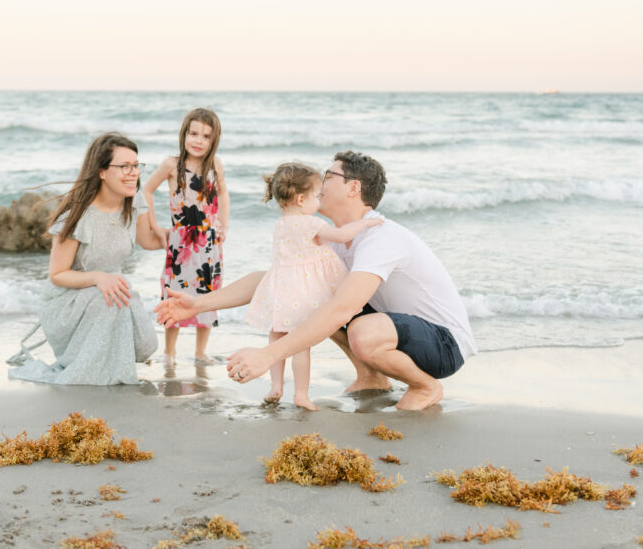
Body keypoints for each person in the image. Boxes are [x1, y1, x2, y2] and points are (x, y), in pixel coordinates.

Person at [157, 151, 476, 410]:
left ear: (353, 188)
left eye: (329, 176)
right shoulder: (330, 236)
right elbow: (275, 282)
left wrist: (268, 355)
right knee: (305, 293)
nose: (319, 182)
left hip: (444, 344)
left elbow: (343, 309)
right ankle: (372, 377)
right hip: (397, 330)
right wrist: (196, 305)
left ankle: (425, 386)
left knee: (353, 322)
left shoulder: (381, 237)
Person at [8, 132, 163, 385]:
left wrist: (181, 236)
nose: (133, 172)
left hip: (111, 289)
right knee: (111, 303)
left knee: (146, 345)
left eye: (136, 166)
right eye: (124, 166)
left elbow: (148, 239)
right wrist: (98, 277)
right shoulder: (77, 216)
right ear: (102, 171)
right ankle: (83, 360)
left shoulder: (134, 200)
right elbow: (57, 275)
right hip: (68, 301)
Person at [246, 162, 383, 410]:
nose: (319, 202)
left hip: (279, 288)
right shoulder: (311, 223)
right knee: (300, 343)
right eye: (316, 197)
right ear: (300, 199)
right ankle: (300, 394)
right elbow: (342, 236)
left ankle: (275, 387)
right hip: (302, 292)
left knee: (276, 337)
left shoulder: (280, 224)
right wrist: (364, 224)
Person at [142, 108, 229, 367]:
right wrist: (155, 226)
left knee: (207, 296)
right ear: (184, 134)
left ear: (213, 141)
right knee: (174, 295)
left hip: (210, 242)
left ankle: (201, 352)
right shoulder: (172, 164)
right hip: (180, 241)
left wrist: (224, 225)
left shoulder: (215, 164)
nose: (198, 140)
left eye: (205, 136)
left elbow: (223, 195)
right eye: (193, 133)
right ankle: (170, 353)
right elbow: (146, 190)